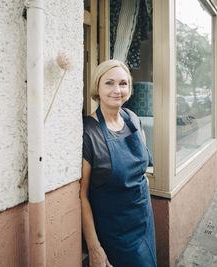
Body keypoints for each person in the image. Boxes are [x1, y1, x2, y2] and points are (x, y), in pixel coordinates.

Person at [81, 59, 156, 267]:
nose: (117, 90)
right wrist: (94, 248)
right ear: (97, 86)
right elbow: (83, 196)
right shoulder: (89, 132)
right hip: (114, 232)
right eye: (109, 83)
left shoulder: (133, 119)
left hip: (143, 221)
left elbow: (143, 165)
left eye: (123, 83)